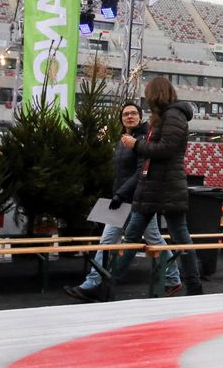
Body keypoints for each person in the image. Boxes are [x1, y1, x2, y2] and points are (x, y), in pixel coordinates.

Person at [65, 102, 182, 301]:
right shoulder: (122, 141)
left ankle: (94, 283)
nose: (130, 116)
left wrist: (120, 194)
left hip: (139, 200)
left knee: (141, 240)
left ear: (140, 116)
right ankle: (94, 283)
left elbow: (140, 172)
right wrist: (116, 194)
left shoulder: (143, 139)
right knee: (119, 241)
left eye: (134, 113)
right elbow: (121, 173)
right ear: (121, 118)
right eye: (126, 114)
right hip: (122, 201)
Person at [105, 77, 203, 297]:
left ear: (157, 94)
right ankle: (108, 282)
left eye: (149, 94)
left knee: (180, 237)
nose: (147, 99)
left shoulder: (173, 115)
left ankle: (194, 285)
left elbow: (166, 148)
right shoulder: (162, 118)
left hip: (166, 186)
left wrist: (136, 145)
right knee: (133, 237)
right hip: (153, 187)